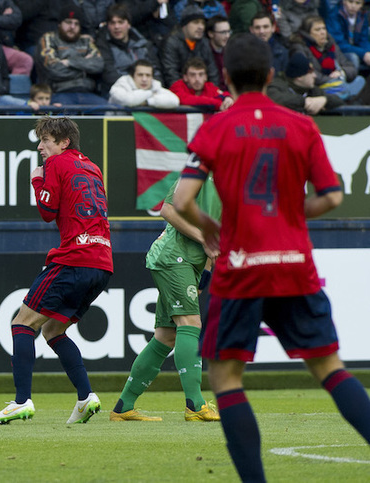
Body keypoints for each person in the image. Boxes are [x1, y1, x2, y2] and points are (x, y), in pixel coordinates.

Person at [171, 32, 370, 482]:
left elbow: (182, 200)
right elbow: (334, 196)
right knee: (329, 369)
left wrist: (209, 227)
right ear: (271, 74)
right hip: (294, 263)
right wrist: (289, 214)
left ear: (225, 76)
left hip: (241, 266)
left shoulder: (216, 128)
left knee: (225, 377)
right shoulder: (300, 125)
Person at [0, 116, 112, 425]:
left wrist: (36, 179)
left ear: (64, 142)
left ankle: (21, 401)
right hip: (103, 262)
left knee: (22, 324)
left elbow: (47, 212)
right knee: (53, 330)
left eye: (45, 141)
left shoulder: (57, 164)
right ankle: (86, 397)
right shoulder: (92, 167)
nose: (40, 147)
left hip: (74, 258)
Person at [110, 176, 220, 422]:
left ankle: (123, 407)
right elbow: (167, 210)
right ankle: (195, 404)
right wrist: (204, 239)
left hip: (190, 264)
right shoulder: (199, 172)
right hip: (173, 257)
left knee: (166, 335)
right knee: (191, 324)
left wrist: (204, 276)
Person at [34, 4, 106, 106]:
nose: (72, 27)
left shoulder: (85, 41)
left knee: (110, 111)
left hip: (87, 93)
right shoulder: (48, 39)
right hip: (59, 93)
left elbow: (99, 65)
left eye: (76, 24)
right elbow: (53, 69)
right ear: (59, 24)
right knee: (63, 118)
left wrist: (69, 62)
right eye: (68, 22)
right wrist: (84, 68)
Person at [95, 3, 163, 97]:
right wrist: (134, 88)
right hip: (117, 92)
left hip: (147, 91)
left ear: (128, 24)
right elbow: (109, 74)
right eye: (112, 23)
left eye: (120, 22)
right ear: (108, 26)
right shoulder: (102, 44)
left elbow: (156, 71)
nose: (117, 27)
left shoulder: (143, 43)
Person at [290, 15, 363, 99]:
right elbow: (308, 74)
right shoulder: (299, 47)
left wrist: (341, 73)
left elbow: (349, 66)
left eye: (324, 28)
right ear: (307, 33)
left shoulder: (330, 44)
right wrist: (331, 79)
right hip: (316, 88)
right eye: (317, 30)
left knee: (360, 80)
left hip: (338, 83)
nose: (323, 32)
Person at [160, 4, 221, 87]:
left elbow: (212, 73)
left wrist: (211, 91)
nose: (201, 27)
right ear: (184, 25)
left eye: (203, 23)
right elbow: (171, 74)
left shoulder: (205, 43)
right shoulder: (171, 43)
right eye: (196, 22)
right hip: (180, 94)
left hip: (202, 92)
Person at [267, 50, 345, 113]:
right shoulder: (276, 85)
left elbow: (339, 101)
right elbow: (276, 99)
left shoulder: (311, 89)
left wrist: (324, 100)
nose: (314, 76)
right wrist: (305, 102)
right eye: (310, 72)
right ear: (299, 76)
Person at [108, 59, 179, 108]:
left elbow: (174, 101)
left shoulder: (155, 85)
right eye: (140, 75)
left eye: (148, 75)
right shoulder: (121, 84)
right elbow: (128, 101)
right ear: (132, 76)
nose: (144, 79)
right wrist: (150, 93)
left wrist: (148, 102)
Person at [326, 0, 370, 71]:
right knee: (353, 57)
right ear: (344, 1)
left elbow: (363, 39)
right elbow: (339, 44)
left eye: (357, 3)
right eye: (350, 1)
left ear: (362, 5)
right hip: (340, 52)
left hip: (356, 48)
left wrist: (368, 52)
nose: (353, 6)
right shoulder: (335, 15)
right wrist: (363, 54)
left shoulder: (362, 15)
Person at [249, 11, 289, 76]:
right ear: (251, 30)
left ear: (273, 28)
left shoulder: (283, 53)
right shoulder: (244, 53)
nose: (261, 31)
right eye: (257, 28)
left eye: (265, 27)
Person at [206, 15, 231, 90]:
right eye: (223, 32)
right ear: (211, 34)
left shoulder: (231, 51)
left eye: (228, 31)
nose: (227, 36)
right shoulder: (203, 52)